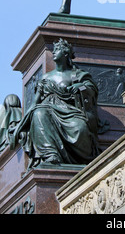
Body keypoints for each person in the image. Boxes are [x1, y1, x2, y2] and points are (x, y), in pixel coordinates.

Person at [10, 39, 101, 168]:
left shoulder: (76, 75)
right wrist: (21, 124)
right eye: (54, 50)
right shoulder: (45, 78)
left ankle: (79, 157)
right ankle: (51, 155)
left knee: (80, 128)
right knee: (39, 113)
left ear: (65, 54)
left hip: (70, 111)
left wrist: (80, 87)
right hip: (47, 109)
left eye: (57, 50)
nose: (53, 52)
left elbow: (90, 90)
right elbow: (35, 103)